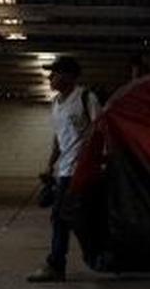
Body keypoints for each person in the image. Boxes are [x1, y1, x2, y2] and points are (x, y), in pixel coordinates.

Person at [28, 57, 101, 283]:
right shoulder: (57, 103)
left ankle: (56, 265)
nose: (50, 77)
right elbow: (59, 138)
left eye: (55, 73)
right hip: (64, 171)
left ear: (69, 76)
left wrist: (88, 156)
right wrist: (51, 165)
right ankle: (100, 256)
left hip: (83, 170)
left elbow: (100, 130)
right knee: (71, 218)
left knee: (61, 217)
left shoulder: (86, 98)